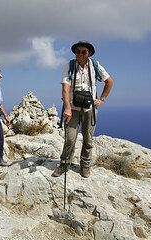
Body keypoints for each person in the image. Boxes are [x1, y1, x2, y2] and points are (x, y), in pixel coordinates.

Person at [52, 41, 113, 178]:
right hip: (72, 108)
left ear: (89, 53)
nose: (79, 54)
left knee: (88, 139)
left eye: (83, 52)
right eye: (77, 51)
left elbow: (109, 81)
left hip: (89, 108)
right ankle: (64, 163)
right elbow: (65, 88)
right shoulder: (70, 66)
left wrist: (101, 99)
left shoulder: (95, 66)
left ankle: (85, 165)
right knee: (70, 138)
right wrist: (67, 108)